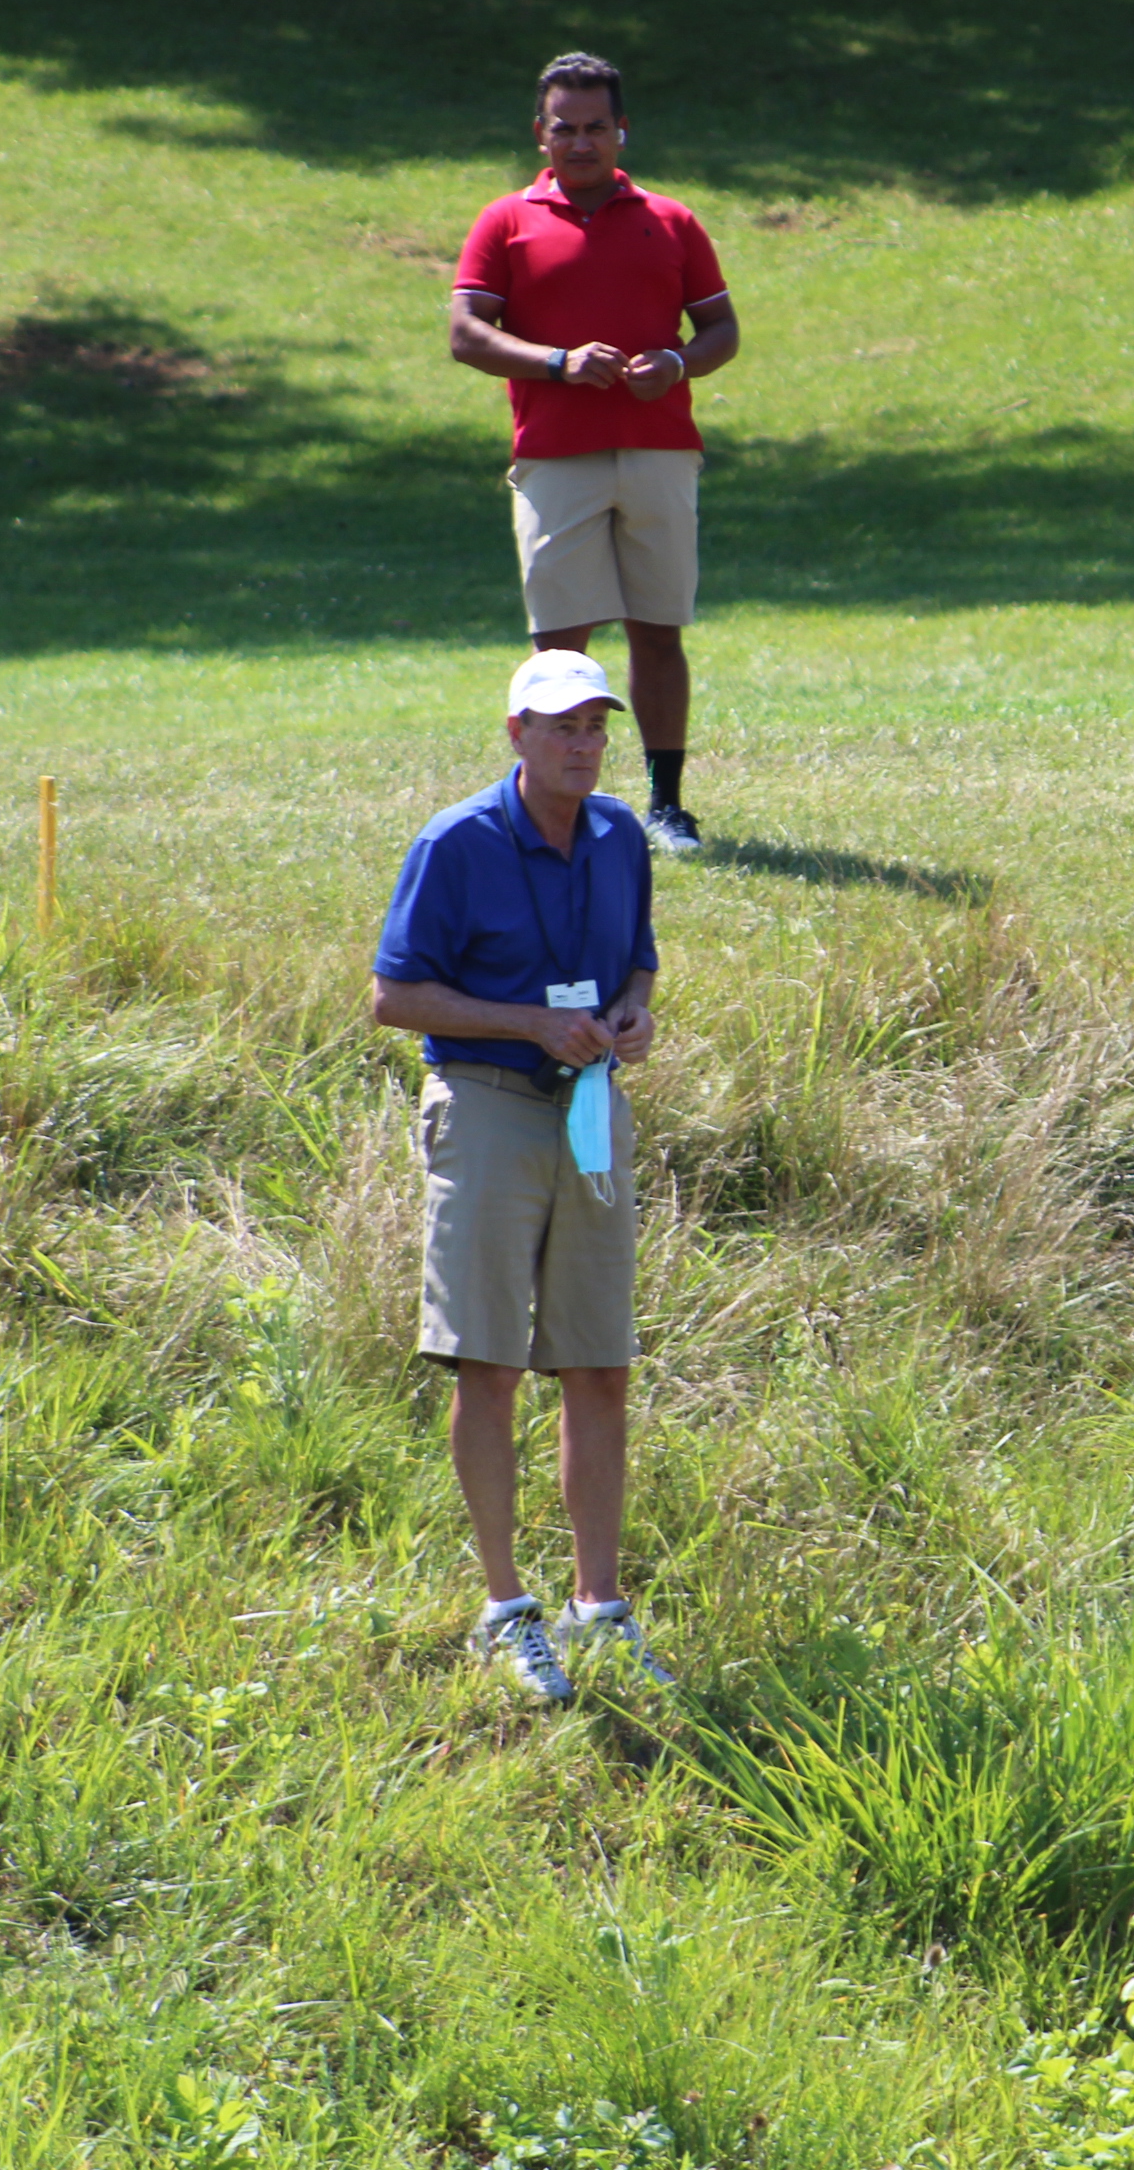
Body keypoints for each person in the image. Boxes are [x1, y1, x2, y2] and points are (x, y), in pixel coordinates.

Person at [370, 650, 673, 1703]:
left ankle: (600, 1609)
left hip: (591, 1109)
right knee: (487, 1363)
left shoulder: (620, 833)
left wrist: (631, 1014)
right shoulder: (456, 844)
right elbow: (395, 997)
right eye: (561, 729)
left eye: (596, 728)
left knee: (600, 1362)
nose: (582, 746)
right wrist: (527, 1022)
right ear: (516, 736)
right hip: (490, 1106)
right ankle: (507, 1610)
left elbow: (638, 958)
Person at [451, 50, 740, 856]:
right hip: (555, 455)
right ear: (540, 134)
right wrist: (557, 363)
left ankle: (667, 807)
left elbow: (722, 329)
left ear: (622, 131)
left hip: (659, 449)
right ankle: (554, 814)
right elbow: (466, 334)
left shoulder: (672, 220)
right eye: (564, 128)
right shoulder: (506, 221)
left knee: (658, 630)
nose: (581, 143)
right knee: (560, 645)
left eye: (596, 127)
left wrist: (678, 363)